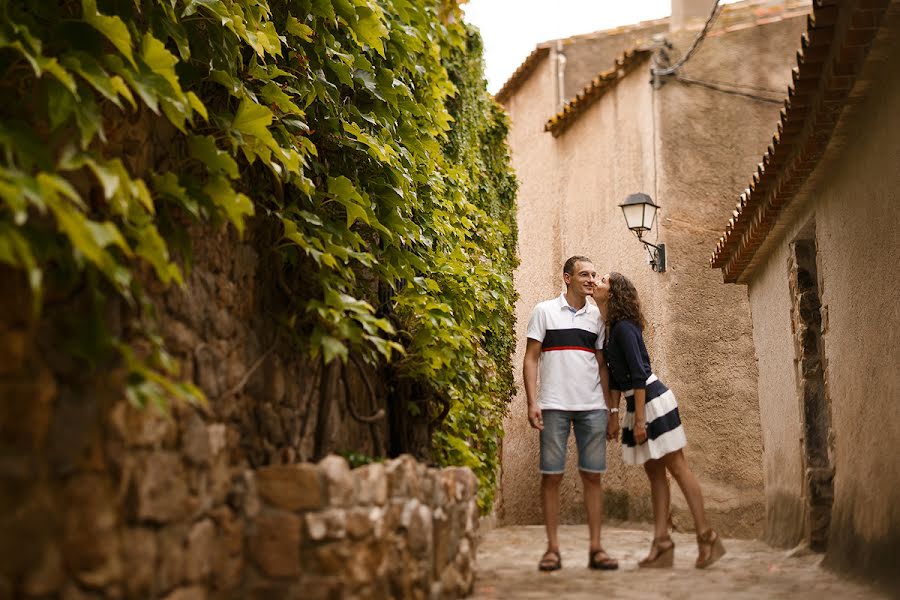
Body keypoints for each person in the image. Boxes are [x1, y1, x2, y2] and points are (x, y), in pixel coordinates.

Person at [592, 272, 726, 569]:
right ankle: (662, 543)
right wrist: (614, 416)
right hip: (636, 402)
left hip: (651, 401)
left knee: (677, 467)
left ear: (613, 293)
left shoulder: (625, 328)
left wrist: (639, 420)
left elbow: (639, 373)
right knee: (654, 474)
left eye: (603, 280)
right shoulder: (611, 329)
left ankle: (708, 536)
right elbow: (615, 380)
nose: (597, 282)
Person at [523, 256, 619, 572]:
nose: (591, 279)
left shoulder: (598, 318)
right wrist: (532, 402)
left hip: (592, 408)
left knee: (593, 477)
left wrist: (609, 408)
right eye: (584, 274)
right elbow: (531, 359)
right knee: (551, 477)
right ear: (567, 278)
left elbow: (603, 365)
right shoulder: (544, 311)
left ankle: (596, 548)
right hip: (553, 407)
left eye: (594, 274)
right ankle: (552, 549)